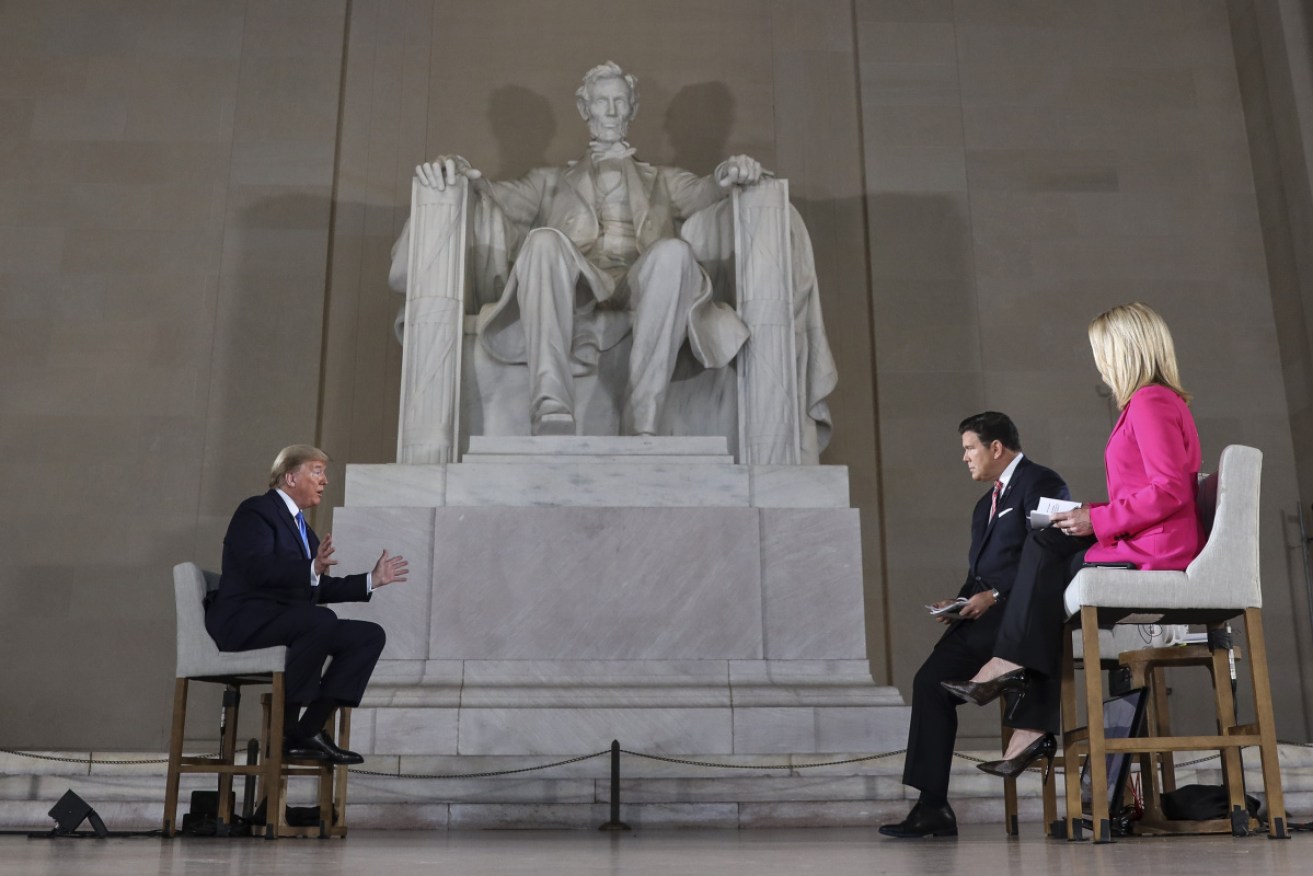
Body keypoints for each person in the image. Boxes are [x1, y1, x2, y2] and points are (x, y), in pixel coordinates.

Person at [392, 61, 835, 439]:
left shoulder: (661, 178)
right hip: (579, 281)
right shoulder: (549, 181)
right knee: (543, 241)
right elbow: (494, 194)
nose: (611, 110)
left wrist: (731, 170)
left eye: (620, 101)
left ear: (633, 109)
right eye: (602, 101)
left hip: (642, 280)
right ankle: (551, 403)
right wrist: (462, 171)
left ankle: (642, 415)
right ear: (585, 109)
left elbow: (705, 192)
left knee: (675, 254)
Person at [943, 302, 1202, 780]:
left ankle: (1014, 683)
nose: (1099, 364)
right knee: (1044, 559)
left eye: (1101, 352)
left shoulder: (1150, 403)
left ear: (1124, 351)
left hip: (1156, 546)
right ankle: (1028, 721)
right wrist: (1090, 515)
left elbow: (1169, 491)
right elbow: (1147, 489)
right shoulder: (1151, 404)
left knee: (1041, 548)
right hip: (1139, 536)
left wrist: (1096, 520)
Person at [880, 413, 1070, 839]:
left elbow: (1050, 552)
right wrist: (961, 599)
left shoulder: (1043, 482)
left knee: (937, 679)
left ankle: (1021, 701)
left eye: (970, 448)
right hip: (982, 617)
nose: (965, 458)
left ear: (996, 447)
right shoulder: (984, 504)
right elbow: (982, 571)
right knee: (929, 683)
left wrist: (997, 595)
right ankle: (932, 807)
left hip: (1019, 617)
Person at [205, 445, 409, 764]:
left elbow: (316, 586)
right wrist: (310, 568)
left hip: (286, 622)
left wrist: (371, 580)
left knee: (368, 636)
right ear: (289, 477)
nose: (324, 480)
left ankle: (308, 729)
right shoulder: (256, 511)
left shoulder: (304, 529)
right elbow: (256, 569)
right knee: (318, 620)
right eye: (317, 471)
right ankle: (286, 730)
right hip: (244, 621)